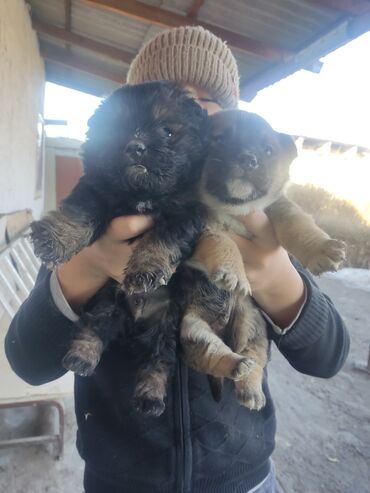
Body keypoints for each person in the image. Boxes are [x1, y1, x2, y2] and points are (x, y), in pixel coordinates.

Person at [5, 26, 349, 493]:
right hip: (119, 480)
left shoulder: (253, 219)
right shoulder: (104, 209)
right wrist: (85, 266)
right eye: (167, 94)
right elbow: (28, 361)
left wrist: (276, 275)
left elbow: (328, 357)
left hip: (243, 479)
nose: (190, 107)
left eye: (208, 99)